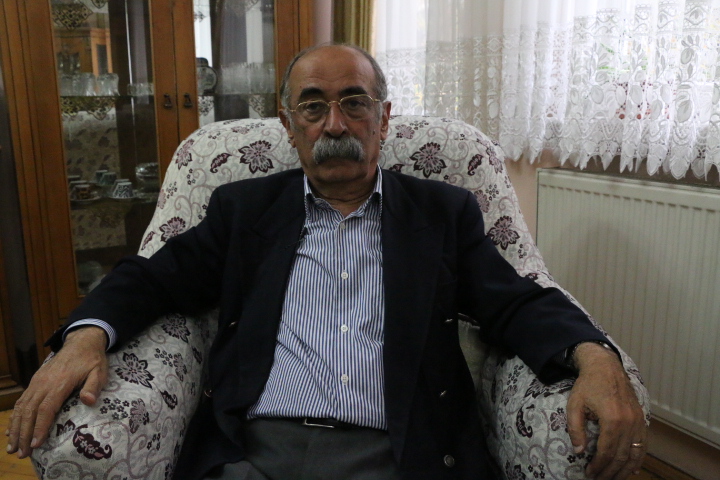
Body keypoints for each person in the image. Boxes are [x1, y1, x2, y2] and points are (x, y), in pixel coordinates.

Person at [7, 44, 647, 480]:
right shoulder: (244, 210)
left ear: (383, 118)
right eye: (313, 106)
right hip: (254, 452)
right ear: (290, 126)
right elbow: (151, 277)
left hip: (399, 454)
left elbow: (516, 298)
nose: (334, 124)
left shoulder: (440, 213)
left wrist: (595, 357)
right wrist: (85, 337)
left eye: (354, 102)